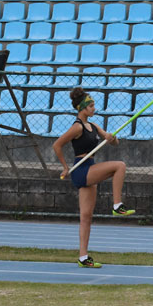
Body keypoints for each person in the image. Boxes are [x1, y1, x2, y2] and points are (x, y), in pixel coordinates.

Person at [53, 87, 135, 268]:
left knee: (86, 216)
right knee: (119, 166)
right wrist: (65, 167)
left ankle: (83, 257)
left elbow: (114, 142)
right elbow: (57, 145)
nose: (94, 108)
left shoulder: (93, 125)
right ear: (82, 108)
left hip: (90, 168)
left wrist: (111, 138)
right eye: (91, 106)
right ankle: (117, 205)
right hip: (81, 169)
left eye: (94, 105)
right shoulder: (77, 127)